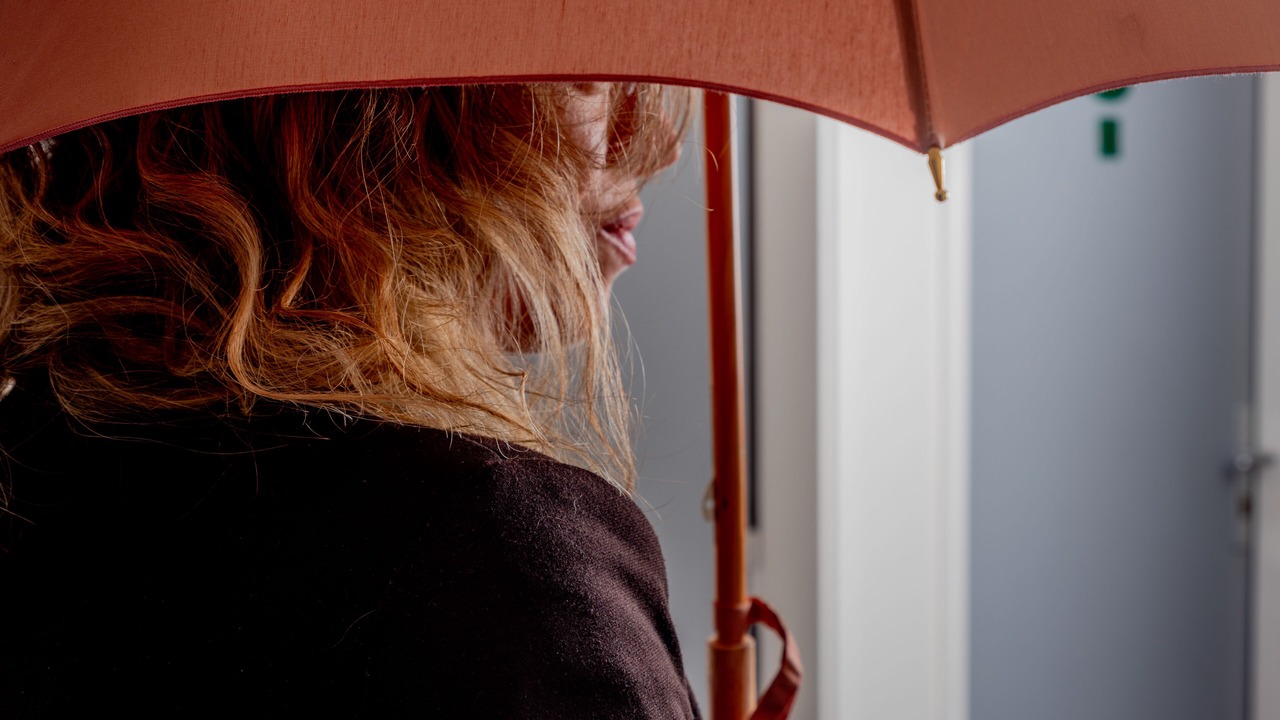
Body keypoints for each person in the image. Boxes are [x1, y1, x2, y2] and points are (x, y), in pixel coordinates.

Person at [0, 82, 700, 718]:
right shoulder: (504, 575)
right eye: (585, 72)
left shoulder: (25, 470)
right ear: (374, 110)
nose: (653, 137)